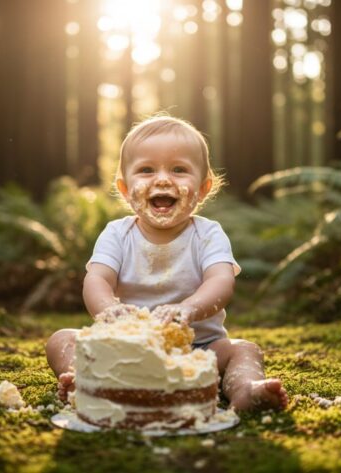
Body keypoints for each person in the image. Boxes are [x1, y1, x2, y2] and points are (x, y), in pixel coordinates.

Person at [45, 115, 288, 412]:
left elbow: (221, 282)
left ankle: (245, 390)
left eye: (179, 169)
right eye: (146, 170)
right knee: (62, 339)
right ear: (124, 189)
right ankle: (86, 382)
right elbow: (96, 280)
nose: (162, 179)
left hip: (198, 350)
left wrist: (188, 309)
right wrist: (108, 311)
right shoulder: (117, 234)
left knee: (243, 350)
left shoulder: (208, 234)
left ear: (202, 189)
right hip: (126, 352)